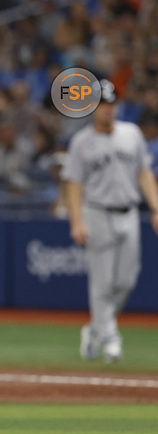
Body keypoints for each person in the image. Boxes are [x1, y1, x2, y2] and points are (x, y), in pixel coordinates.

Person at [63, 79, 158, 362]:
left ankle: (96, 328)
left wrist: (155, 207)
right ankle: (112, 339)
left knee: (127, 281)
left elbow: (144, 173)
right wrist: (77, 221)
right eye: (103, 104)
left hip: (128, 212)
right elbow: (74, 184)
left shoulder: (132, 134)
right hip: (97, 212)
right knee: (102, 284)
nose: (108, 109)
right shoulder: (82, 141)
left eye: (112, 103)